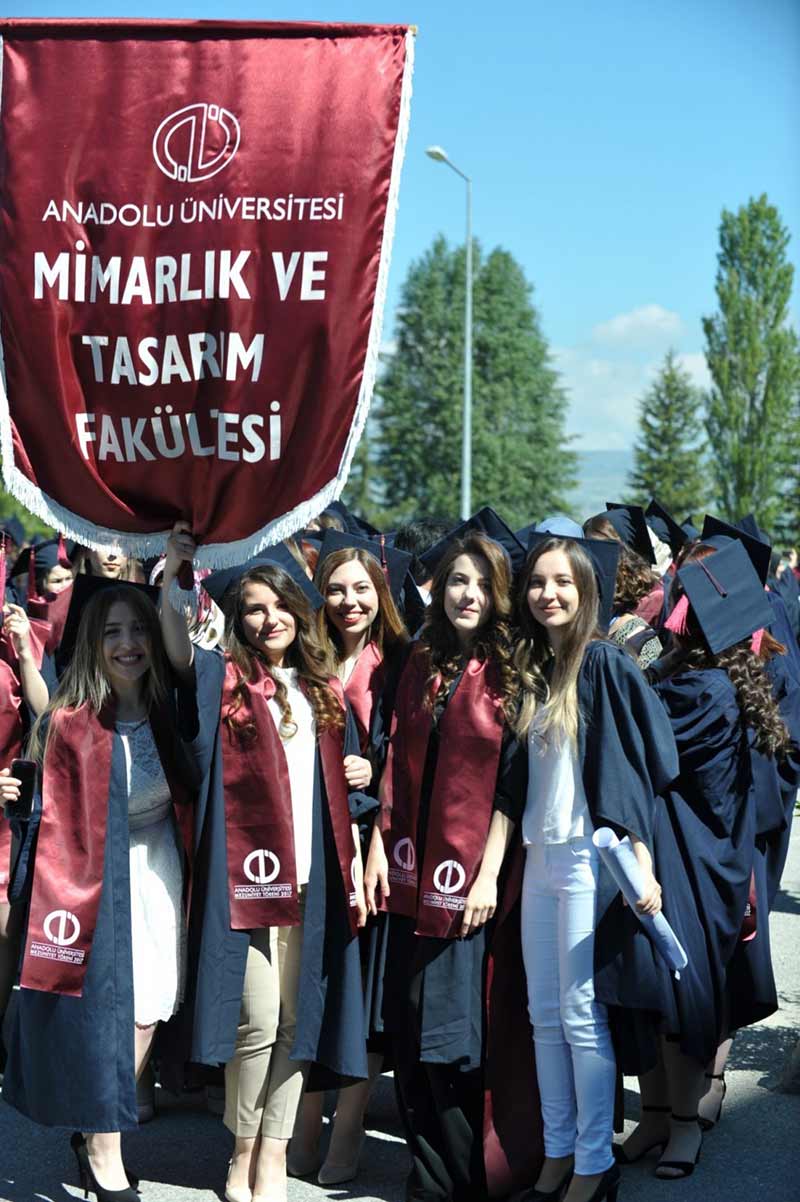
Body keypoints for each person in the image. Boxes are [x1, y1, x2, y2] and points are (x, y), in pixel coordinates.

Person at [159, 525, 374, 1202]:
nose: (269, 616)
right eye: (253, 606)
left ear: (298, 609)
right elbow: (173, 647)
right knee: (254, 1018)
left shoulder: (325, 691)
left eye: (279, 603)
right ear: (239, 618)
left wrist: (361, 774)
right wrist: (176, 573)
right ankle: (242, 1150)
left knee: (294, 1020)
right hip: (244, 881)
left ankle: (273, 1156)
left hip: (314, 879)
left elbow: (349, 785)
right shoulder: (222, 683)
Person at [1, 575, 197, 1202]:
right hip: (91, 875)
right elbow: (40, 803)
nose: (128, 643)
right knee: (103, 1009)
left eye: (138, 629)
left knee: (149, 1009)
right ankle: (106, 1146)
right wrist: (13, 795)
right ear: (93, 641)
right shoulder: (68, 720)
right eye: (112, 632)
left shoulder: (175, 706)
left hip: (156, 867)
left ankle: (94, 1129)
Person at [364, 529, 538, 1202]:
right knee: (409, 1021)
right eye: (457, 580)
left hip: (470, 876)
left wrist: (489, 872)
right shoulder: (420, 658)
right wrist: (381, 837)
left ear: (499, 594)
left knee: (453, 1030)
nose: (468, 593)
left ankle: (466, 1177)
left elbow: (511, 785)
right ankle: (429, 1169)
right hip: (410, 866)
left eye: (482, 583)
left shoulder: (513, 668)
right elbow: (394, 759)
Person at [513, 530, 678, 1202]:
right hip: (538, 854)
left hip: (588, 858)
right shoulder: (532, 666)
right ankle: (556, 1154)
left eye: (564, 583)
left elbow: (649, 757)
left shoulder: (605, 662)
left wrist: (638, 850)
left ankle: (592, 1164)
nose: (549, 594)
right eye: (538, 582)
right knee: (542, 1015)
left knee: (581, 1017)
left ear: (587, 592)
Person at [619, 538, 792, 1181]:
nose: (671, 610)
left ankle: (685, 1125)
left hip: (695, 861)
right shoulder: (701, 678)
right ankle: (657, 1116)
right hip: (679, 851)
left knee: (683, 991)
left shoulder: (707, 692)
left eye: (682, 601)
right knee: (654, 989)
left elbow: (647, 742)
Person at [288, 529, 410, 1185]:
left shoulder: (398, 663)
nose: (348, 598)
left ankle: (350, 1127)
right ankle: (307, 1120)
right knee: (316, 990)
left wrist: (377, 764)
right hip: (309, 843)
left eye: (361, 587)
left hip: (369, 849)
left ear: (380, 591)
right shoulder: (307, 657)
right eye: (335, 587)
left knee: (357, 996)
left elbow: (414, 758)